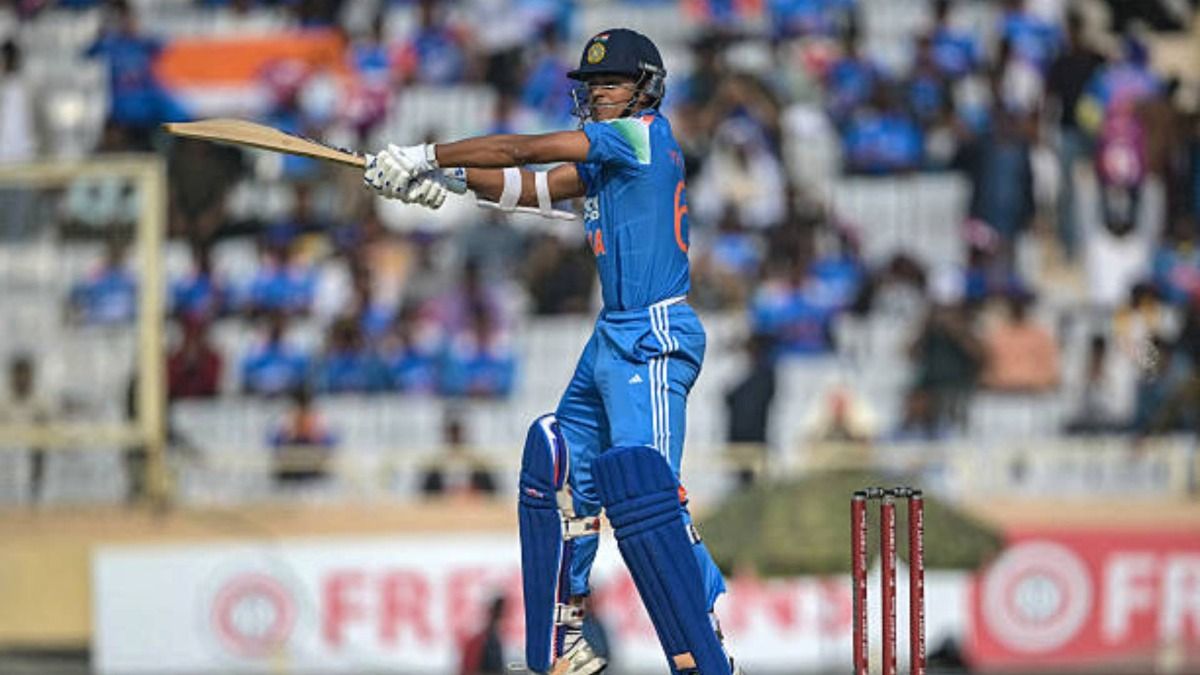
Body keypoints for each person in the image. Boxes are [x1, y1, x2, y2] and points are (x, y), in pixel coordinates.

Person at [364, 28, 742, 675]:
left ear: (645, 89)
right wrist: (450, 181)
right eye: (591, 86)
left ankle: (706, 654)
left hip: (653, 335)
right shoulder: (608, 157)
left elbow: (523, 148)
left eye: (611, 83)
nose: (598, 95)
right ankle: (566, 637)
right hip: (612, 334)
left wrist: (424, 154)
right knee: (557, 467)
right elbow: (528, 188)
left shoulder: (641, 135)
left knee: (647, 491)